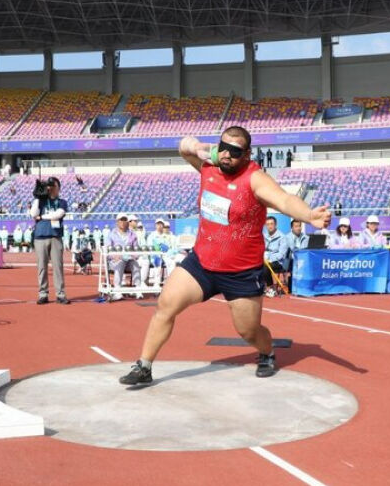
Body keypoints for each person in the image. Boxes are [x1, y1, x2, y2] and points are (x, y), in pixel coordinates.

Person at [119, 126, 330, 386]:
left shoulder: (255, 179)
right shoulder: (208, 167)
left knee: (249, 331)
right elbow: (184, 145)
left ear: (248, 154)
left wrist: (309, 215)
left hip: (241, 272)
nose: (228, 155)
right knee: (166, 305)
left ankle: (267, 352)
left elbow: (284, 201)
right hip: (202, 263)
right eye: (224, 148)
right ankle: (144, 365)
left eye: (235, 151)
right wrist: (201, 149)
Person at [29, 177, 70, 304]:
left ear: (58, 188)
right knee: (42, 267)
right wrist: (37, 197)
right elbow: (33, 214)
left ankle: (60, 294)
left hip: (55, 236)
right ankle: (43, 293)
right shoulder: (40, 201)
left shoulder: (62, 201)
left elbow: (58, 214)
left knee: (58, 266)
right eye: (49, 186)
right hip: (40, 236)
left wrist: (41, 217)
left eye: (53, 186)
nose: (50, 188)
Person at [107, 213, 142, 301]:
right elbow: (108, 250)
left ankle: (138, 289)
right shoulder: (111, 234)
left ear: (127, 222)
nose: (123, 222)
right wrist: (114, 256)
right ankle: (118, 291)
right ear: (117, 222)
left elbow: (136, 249)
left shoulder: (133, 235)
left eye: (124, 220)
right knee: (120, 263)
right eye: (121, 220)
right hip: (116, 261)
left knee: (136, 265)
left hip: (129, 260)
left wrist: (134, 256)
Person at [263, 216, 288, 297]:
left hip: (278, 262)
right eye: (268, 224)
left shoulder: (282, 237)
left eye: (272, 224)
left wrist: (269, 258)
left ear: (276, 225)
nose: (270, 226)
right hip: (265, 260)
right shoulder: (264, 236)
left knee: (265, 267)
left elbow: (281, 254)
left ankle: (270, 288)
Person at [284, 219, 309, 290]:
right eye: (296, 226)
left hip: (304, 259)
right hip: (290, 260)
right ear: (292, 228)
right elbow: (287, 252)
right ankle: (294, 285)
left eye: (299, 226)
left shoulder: (306, 237)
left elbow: (308, 250)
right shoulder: (286, 238)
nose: (298, 228)